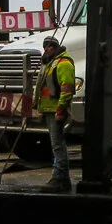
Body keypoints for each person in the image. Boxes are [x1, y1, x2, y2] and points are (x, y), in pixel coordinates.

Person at [36, 34, 76, 191]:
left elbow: (67, 89)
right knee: (55, 145)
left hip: (56, 110)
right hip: (48, 110)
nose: (47, 49)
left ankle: (60, 178)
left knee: (58, 145)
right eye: (45, 46)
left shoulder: (63, 63)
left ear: (56, 48)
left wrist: (61, 110)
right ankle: (60, 177)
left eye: (50, 46)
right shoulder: (49, 64)